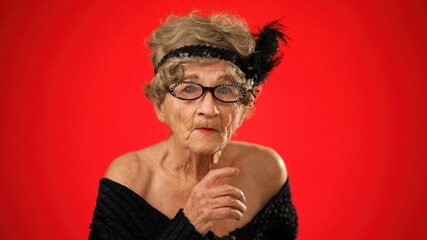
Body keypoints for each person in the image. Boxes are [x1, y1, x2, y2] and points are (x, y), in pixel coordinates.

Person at [89, 12, 298, 240]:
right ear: (160, 106)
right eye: (189, 89)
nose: (209, 109)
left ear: (244, 108)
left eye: (225, 90)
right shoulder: (131, 180)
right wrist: (189, 224)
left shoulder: (267, 171)